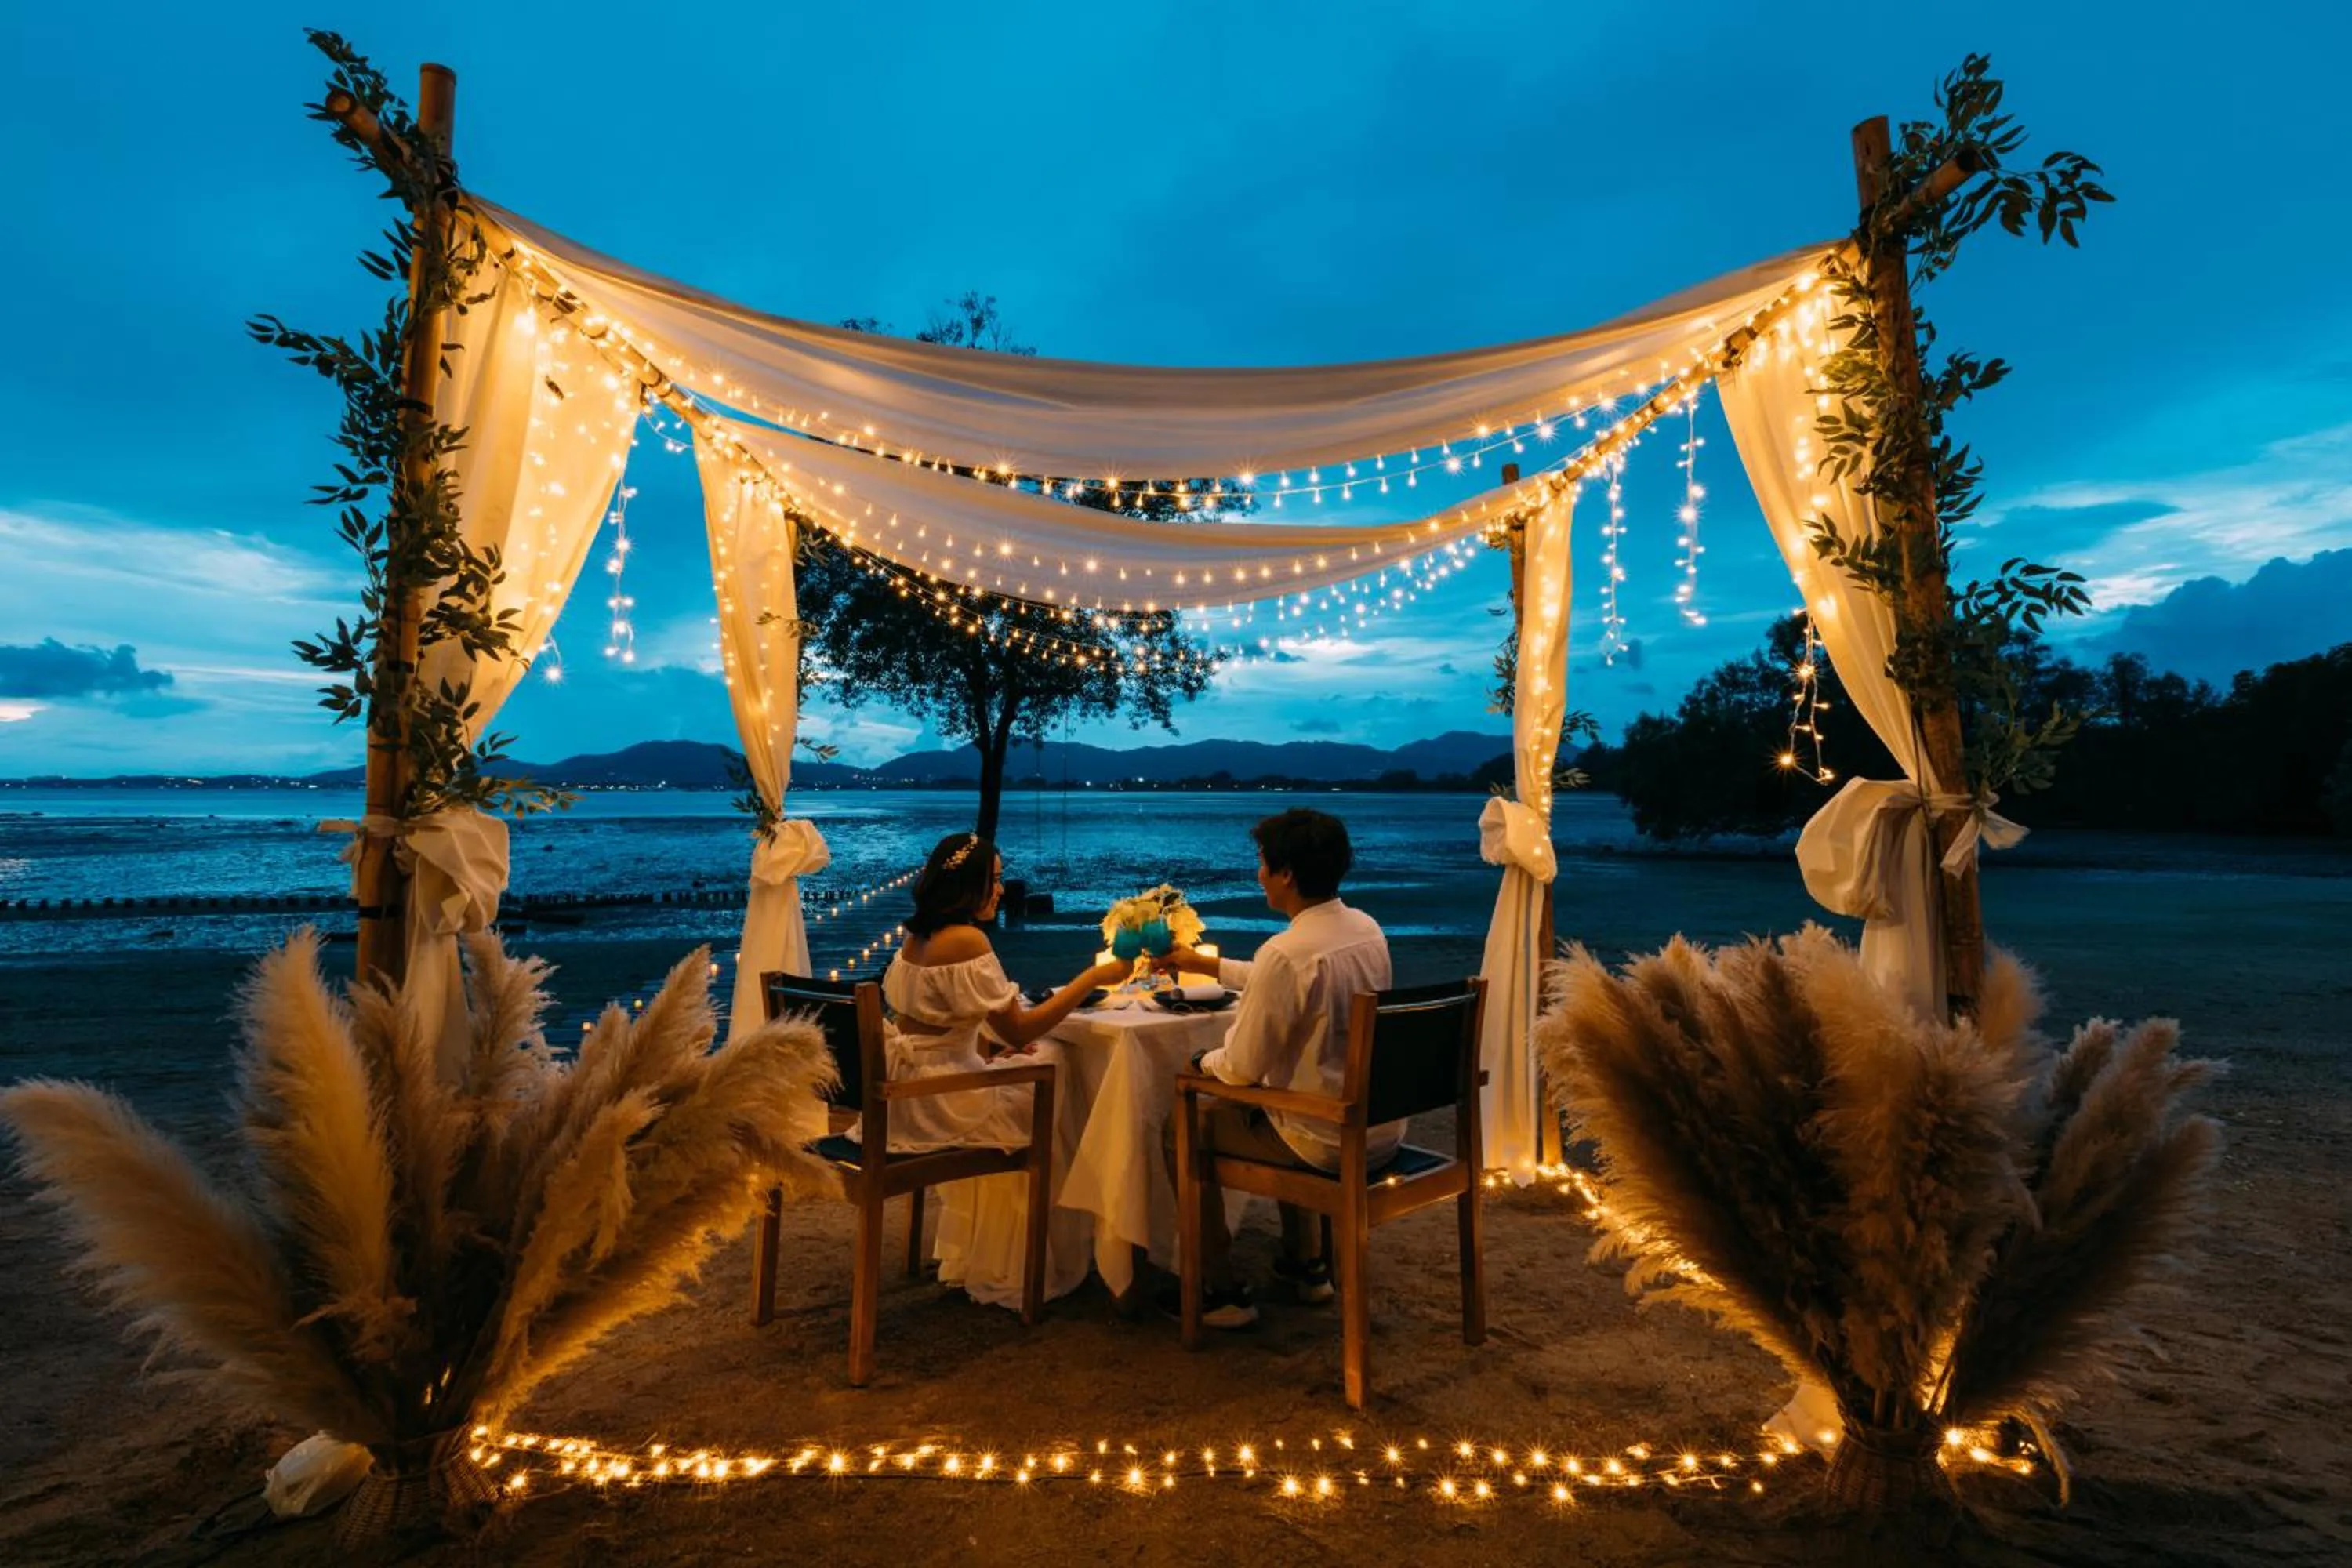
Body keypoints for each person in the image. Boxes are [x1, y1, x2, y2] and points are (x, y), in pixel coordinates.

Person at [1152, 807, 1394, 1329]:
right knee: (1292, 1094)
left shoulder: (1287, 952)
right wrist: (1205, 964)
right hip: (1379, 1127)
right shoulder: (1366, 929)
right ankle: (1305, 1264)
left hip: (1324, 1139)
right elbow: (1282, 977)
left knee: (1185, 1123)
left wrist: (1200, 1062)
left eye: (1263, 862)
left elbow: (1240, 1068)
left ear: (1286, 873)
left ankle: (1217, 1288)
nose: (1258, 873)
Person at [869, 831, 1131, 1307]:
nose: (1001, 890)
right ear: (966, 886)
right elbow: (1020, 1029)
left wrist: (989, 1051)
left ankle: (995, 1246)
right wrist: (1091, 979)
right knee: (1058, 1062)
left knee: (1038, 1059)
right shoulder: (967, 940)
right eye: (992, 880)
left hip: (909, 1092)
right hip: (942, 1103)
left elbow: (947, 1018)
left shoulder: (914, 938)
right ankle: (1042, 1250)